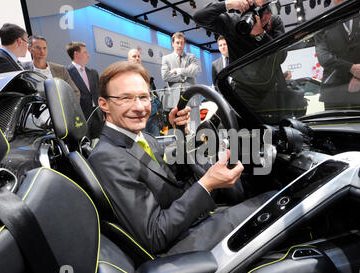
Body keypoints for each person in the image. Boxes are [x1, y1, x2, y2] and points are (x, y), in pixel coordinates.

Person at [88, 61, 274, 255]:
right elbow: (155, 236)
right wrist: (207, 184)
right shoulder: (107, 157)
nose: (140, 108)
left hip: (188, 223)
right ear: (104, 104)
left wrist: (179, 131)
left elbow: (166, 173)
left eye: (143, 97)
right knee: (274, 201)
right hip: (179, 246)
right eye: (126, 98)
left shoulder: (141, 137)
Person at [314, 0, 360, 110]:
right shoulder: (323, 18)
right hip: (335, 91)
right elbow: (323, 56)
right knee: (334, 127)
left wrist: (359, 75)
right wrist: (351, 68)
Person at [193, 0, 285, 63]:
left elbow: (281, 56)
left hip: (272, 83)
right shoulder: (234, 23)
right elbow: (199, 17)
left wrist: (261, 34)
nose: (267, 14)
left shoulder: (274, 22)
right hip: (243, 86)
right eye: (260, 9)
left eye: (268, 8)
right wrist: (228, 4)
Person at [161, 32, 201, 129]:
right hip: (175, 99)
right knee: (178, 129)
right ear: (173, 44)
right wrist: (185, 74)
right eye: (177, 42)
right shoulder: (166, 59)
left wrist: (178, 71)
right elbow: (165, 76)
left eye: (182, 43)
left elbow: (196, 71)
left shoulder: (191, 57)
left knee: (195, 128)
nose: (179, 45)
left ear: (184, 44)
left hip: (191, 97)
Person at [66, 41, 103, 139]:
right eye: (85, 52)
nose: (88, 55)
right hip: (80, 118)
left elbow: (98, 93)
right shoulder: (66, 72)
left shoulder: (93, 73)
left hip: (97, 116)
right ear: (76, 54)